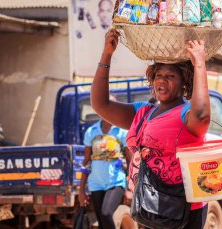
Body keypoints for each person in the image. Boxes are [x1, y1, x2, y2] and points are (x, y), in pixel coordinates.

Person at [90, 28, 211, 228]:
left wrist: (199, 64)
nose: (162, 80)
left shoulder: (185, 114)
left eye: (170, 76)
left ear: (184, 83)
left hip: (184, 207)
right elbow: (100, 105)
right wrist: (107, 54)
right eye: (158, 75)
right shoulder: (144, 112)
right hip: (149, 203)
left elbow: (202, 115)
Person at [78, 104, 131, 229]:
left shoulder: (122, 132)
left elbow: (130, 161)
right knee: (101, 222)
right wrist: (81, 190)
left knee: (106, 214)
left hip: (116, 182)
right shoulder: (91, 131)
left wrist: (130, 188)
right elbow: (86, 161)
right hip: (95, 183)